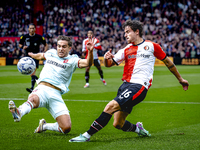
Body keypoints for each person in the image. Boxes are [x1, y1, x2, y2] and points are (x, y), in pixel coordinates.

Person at [69, 20, 189, 142]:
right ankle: (138, 129)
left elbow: (168, 62)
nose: (125, 35)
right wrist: (106, 59)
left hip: (139, 86)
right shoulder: (126, 49)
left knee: (110, 106)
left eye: (127, 32)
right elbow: (109, 64)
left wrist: (180, 79)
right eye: (124, 32)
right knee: (118, 124)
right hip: (124, 86)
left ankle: (86, 135)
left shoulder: (152, 46)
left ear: (137, 31)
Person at [9, 35, 94, 134]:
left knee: (66, 128)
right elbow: (41, 56)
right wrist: (32, 55)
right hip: (42, 89)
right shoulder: (51, 53)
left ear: (69, 48)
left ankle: (45, 126)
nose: (60, 49)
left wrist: (90, 51)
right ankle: (19, 112)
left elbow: (88, 62)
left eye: (64, 46)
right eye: (59, 46)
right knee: (33, 99)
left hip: (56, 94)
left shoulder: (73, 60)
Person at [19, 23, 48, 93]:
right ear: (28, 29)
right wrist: (23, 47)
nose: (32, 30)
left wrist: (44, 52)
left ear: (35, 29)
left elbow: (45, 44)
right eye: (30, 28)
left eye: (33, 28)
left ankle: (32, 88)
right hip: (27, 57)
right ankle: (41, 83)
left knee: (32, 73)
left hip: (36, 56)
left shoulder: (39, 37)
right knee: (31, 74)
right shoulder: (24, 37)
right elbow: (20, 44)